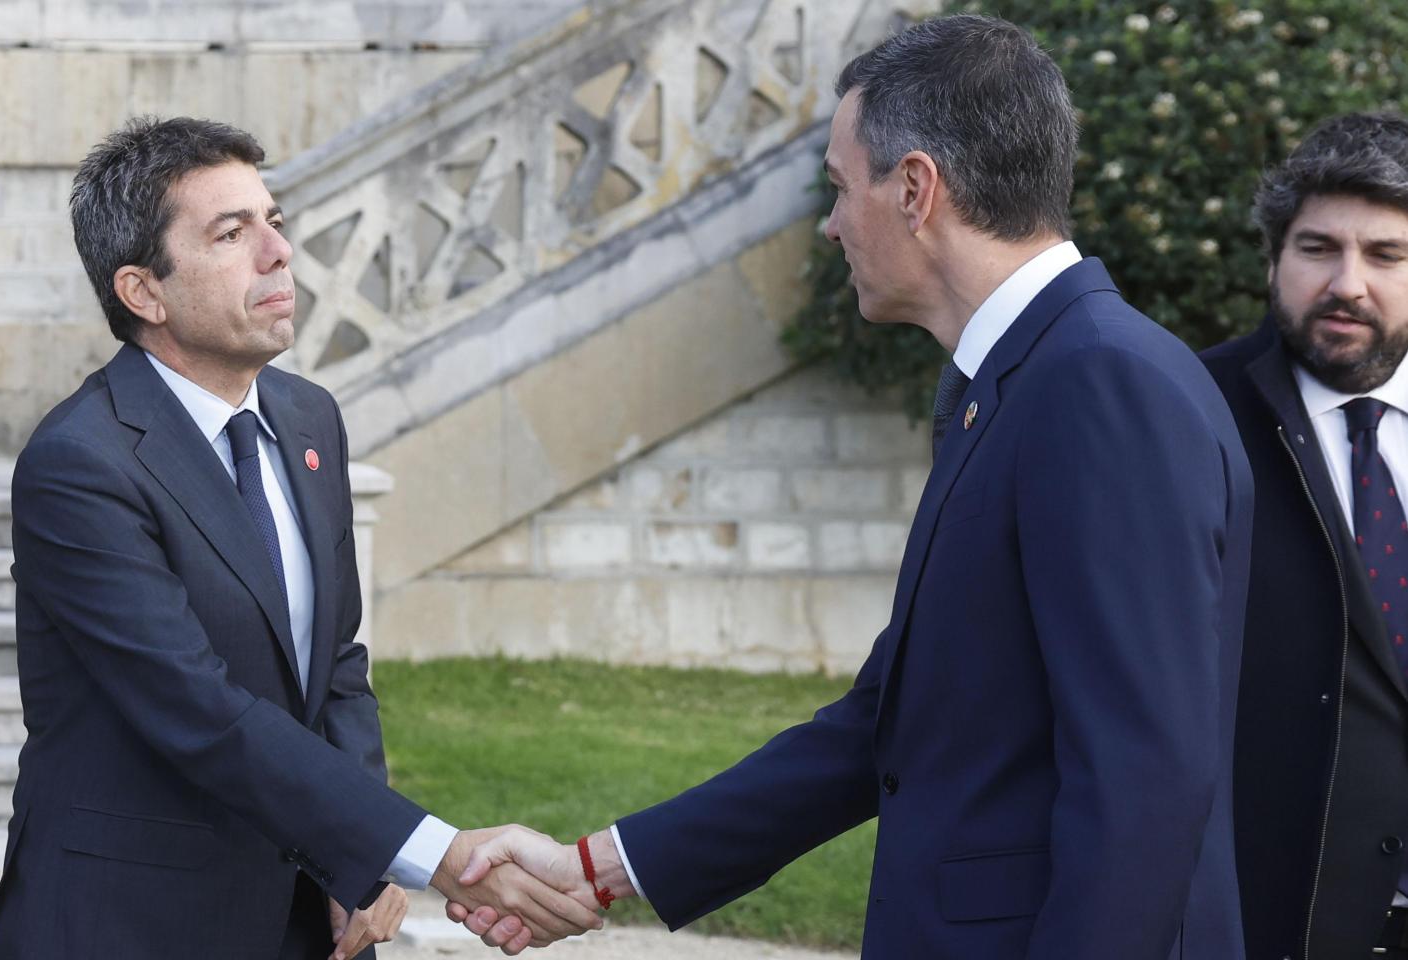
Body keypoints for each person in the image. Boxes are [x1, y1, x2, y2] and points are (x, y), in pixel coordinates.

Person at [448, 15, 1253, 958]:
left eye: (839, 188)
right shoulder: (1017, 382)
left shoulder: (1098, 384)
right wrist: (602, 867)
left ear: (914, 188)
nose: (830, 222)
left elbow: (1143, 779)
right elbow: (888, 727)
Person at [0, 117, 601, 960]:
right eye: (232, 233)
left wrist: (357, 864)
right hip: (129, 921)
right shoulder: (79, 465)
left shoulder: (309, 418)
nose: (278, 253)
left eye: (274, 221)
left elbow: (335, 665)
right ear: (143, 292)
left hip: (309, 924)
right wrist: (432, 854)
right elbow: (201, 710)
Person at [1201, 112, 1408, 959]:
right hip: (1277, 921)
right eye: (1318, 248)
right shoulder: (1188, 411)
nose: (1348, 283)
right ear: (1274, 259)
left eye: (1387, 255)